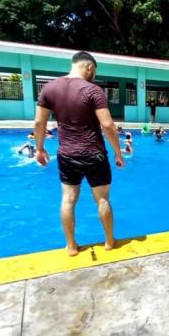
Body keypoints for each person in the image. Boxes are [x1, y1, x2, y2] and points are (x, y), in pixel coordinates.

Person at [34, 51, 125, 256]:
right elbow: (108, 125)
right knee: (102, 199)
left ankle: (71, 246)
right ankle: (109, 242)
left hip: (66, 154)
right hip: (94, 154)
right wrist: (118, 153)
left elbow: (39, 122)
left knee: (67, 199)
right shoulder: (93, 90)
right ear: (90, 67)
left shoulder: (49, 88)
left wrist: (40, 149)